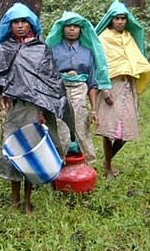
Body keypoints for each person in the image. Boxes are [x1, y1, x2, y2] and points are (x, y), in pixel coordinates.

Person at [0, 3, 72, 214]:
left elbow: (49, 83)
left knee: (31, 152)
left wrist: (42, 111)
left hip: (35, 109)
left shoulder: (41, 50)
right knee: (13, 151)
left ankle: (28, 200)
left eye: (24, 22)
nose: (20, 26)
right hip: (15, 109)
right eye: (15, 22)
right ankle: (14, 201)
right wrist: (0, 94)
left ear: (31, 24)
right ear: (9, 26)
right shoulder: (4, 49)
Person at [94, 0, 150, 180]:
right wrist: (104, 89)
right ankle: (108, 168)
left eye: (123, 18)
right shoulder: (103, 38)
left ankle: (106, 163)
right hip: (110, 86)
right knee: (108, 129)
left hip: (128, 86)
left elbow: (136, 59)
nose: (120, 22)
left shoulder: (129, 37)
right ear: (110, 20)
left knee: (125, 132)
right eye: (116, 18)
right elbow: (99, 63)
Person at [46, 11, 111, 164]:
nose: (72, 29)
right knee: (60, 128)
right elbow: (47, 75)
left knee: (82, 126)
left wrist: (94, 109)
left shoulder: (87, 51)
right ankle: (58, 165)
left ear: (81, 29)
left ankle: (88, 164)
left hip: (80, 89)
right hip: (58, 90)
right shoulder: (53, 49)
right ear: (62, 28)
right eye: (68, 26)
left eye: (76, 26)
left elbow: (92, 82)